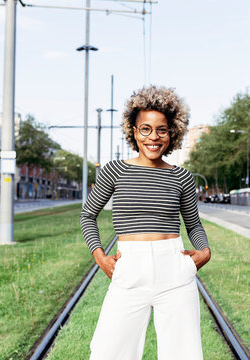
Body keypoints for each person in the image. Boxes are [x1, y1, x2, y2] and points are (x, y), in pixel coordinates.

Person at [80, 85, 211, 360]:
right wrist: (100, 257)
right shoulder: (114, 171)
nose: (154, 137)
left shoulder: (182, 178)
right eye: (146, 129)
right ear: (133, 131)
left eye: (161, 130)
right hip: (129, 270)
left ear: (172, 132)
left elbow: (193, 225)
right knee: (109, 353)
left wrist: (204, 251)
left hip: (175, 272)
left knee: (183, 355)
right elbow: (88, 215)